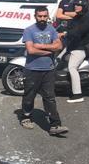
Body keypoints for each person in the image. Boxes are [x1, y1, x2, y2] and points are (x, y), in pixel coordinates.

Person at [19, 7, 68, 135]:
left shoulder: (51, 29)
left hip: (49, 70)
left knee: (50, 98)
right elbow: (31, 50)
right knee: (29, 96)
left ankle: (55, 125)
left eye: (44, 16)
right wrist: (50, 51)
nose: (42, 19)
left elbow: (59, 45)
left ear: (47, 16)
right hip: (32, 70)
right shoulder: (29, 30)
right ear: (35, 16)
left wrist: (40, 46)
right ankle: (26, 117)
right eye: (39, 16)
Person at [58, 0, 89, 103]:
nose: (76, 6)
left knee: (72, 68)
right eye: (75, 5)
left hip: (82, 46)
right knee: (59, 59)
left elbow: (79, 31)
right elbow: (71, 27)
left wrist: (65, 34)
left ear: (84, 7)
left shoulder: (88, 17)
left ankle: (77, 94)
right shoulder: (79, 15)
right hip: (74, 44)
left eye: (78, 5)